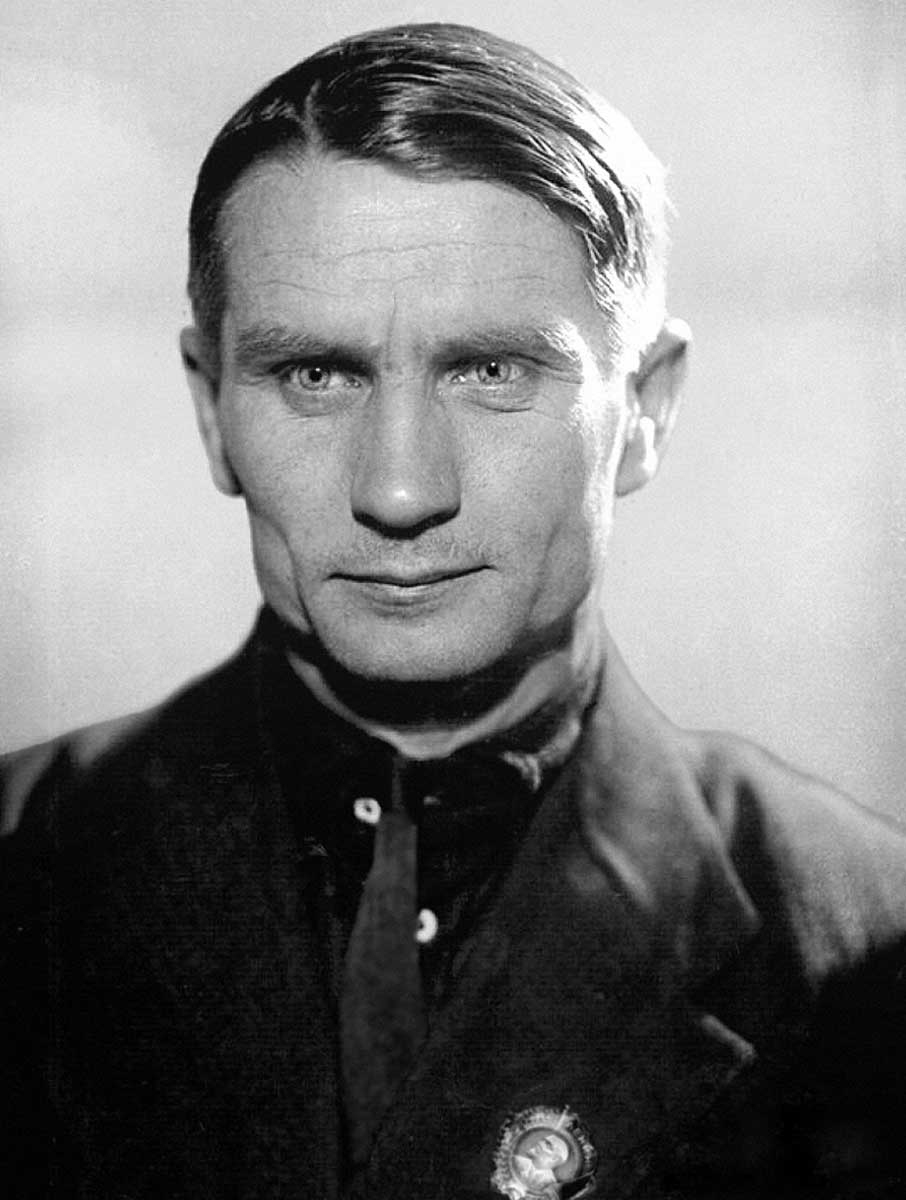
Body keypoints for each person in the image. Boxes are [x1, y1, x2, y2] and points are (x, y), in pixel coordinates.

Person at [1, 21, 905, 1200]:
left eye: (491, 371)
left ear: (646, 410)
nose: (400, 491)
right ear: (212, 409)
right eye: (314, 375)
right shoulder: (24, 867)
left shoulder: (862, 942)